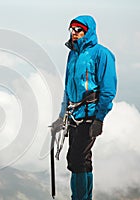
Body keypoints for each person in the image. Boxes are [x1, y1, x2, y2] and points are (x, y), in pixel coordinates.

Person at [51, 15, 117, 200]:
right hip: (74, 116)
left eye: (78, 30)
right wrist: (61, 116)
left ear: (88, 32)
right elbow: (68, 88)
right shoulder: (73, 54)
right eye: (72, 29)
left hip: (89, 115)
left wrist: (99, 119)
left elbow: (108, 90)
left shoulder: (101, 54)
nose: (74, 33)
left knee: (76, 160)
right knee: (83, 159)